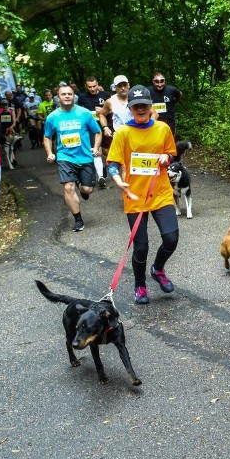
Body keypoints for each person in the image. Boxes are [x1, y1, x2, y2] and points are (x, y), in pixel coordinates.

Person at [106, 85, 179, 305]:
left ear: (150, 107)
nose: (140, 109)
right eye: (135, 106)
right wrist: (119, 180)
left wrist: (167, 158)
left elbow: (171, 154)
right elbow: (112, 164)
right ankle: (140, 285)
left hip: (161, 193)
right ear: (129, 108)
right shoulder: (123, 133)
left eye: (144, 105)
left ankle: (157, 269)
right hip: (135, 197)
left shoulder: (162, 128)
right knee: (141, 246)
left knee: (171, 238)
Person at [43, 84, 102, 232]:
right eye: (64, 94)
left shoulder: (85, 113)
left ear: (74, 96)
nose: (67, 96)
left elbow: (97, 131)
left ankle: (82, 187)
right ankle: (78, 219)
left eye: (70, 94)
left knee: (87, 189)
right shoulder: (52, 117)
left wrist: (95, 148)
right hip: (65, 157)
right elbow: (47, 136)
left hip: (85, 157)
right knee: (68, 187)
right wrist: (50, 152)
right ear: (58, 97)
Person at [78, 76, 113, 188]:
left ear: (98, 84)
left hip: (105, 126)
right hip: (91, 130)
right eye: (89, 87)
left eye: (94, 86)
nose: (92, 89)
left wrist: (102, 111)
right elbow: (78, 112)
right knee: (96, 151)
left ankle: (102, 167)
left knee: (106, 152)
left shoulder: (106, 95)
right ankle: (101, 177)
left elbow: (114, 110)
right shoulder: (82, 97)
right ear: (86, 86)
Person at [147, 72, 182, 137]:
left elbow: (179, 94)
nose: (160, 84)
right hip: (154, 123)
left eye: (162, 81)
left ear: (165, 81)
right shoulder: (147, 91)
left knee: (169, 142)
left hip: (169, 122)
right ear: (153, 82)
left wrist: (174, 102)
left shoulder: (171, 90)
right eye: (157, 82)